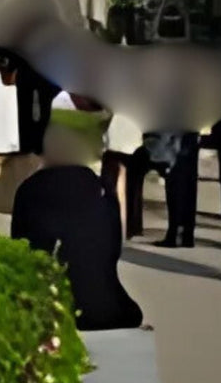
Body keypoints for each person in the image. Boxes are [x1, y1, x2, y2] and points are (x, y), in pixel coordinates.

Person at [12, 133, 143, 332]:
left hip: (51, 309)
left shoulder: (29, 189)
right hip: (106, 311)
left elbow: (22, 254)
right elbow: (112, 252)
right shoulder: (100, 188)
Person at [100, 109, 147, 241]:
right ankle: (132, 226)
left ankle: (120, 225)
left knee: (115, 188)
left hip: (116, 143)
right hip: (135, 141)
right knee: (134, 188)